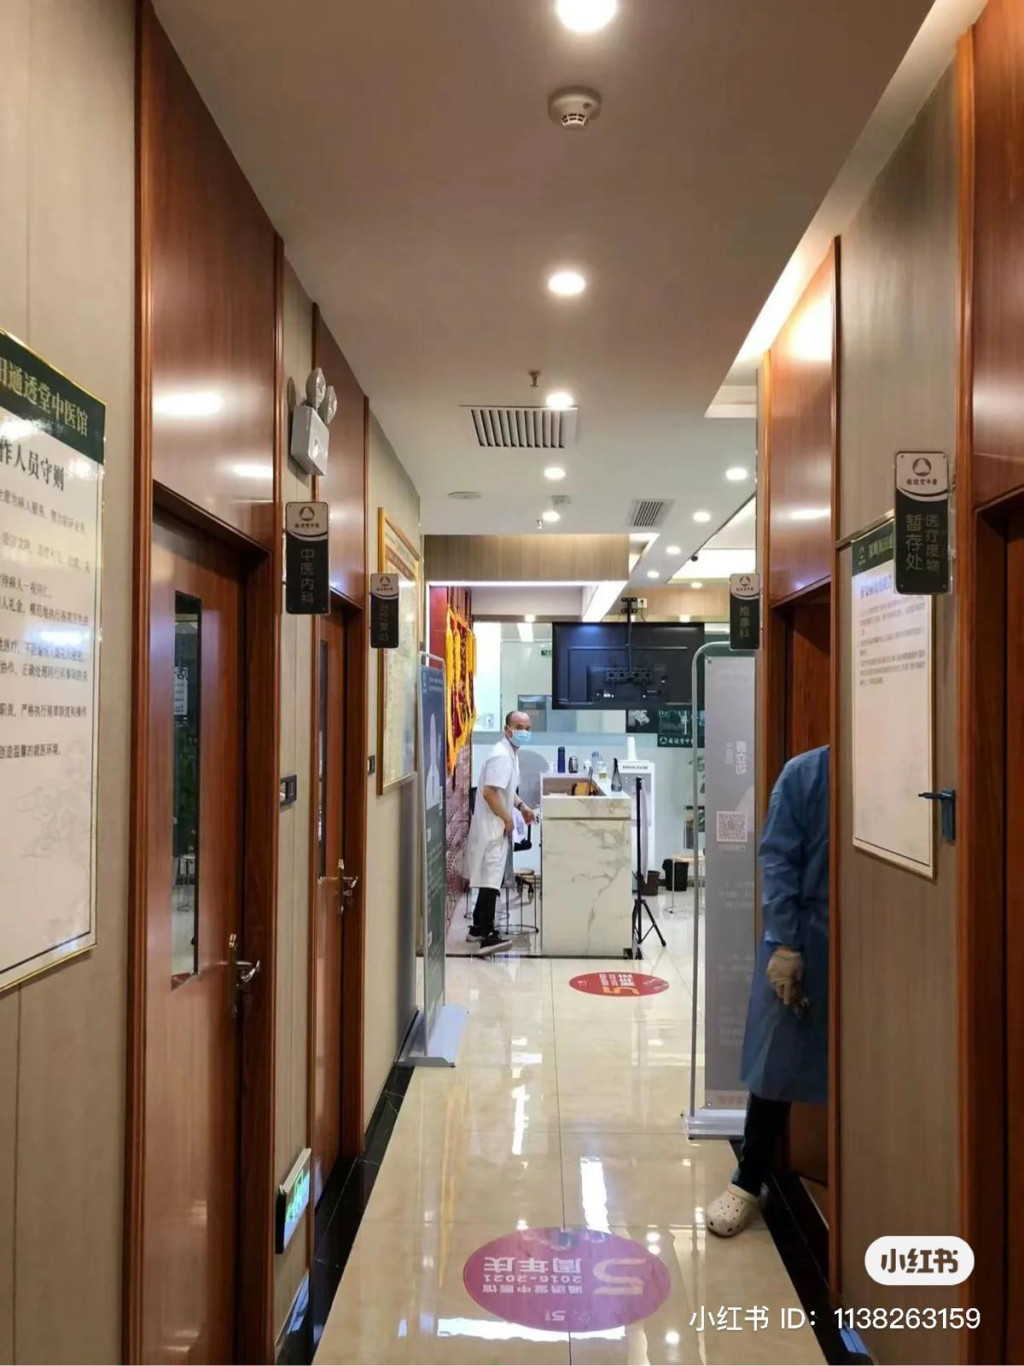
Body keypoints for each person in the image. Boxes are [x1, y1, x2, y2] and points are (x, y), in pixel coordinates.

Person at [707, 744, 829, 1237]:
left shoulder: (898, 769)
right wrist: (785, 943)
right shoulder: (806, 774)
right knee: (777, 1062)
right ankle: (747, 1179)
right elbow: (777, 861)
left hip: (872, 943)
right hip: (804, 939)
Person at [463, 711, 536, 956]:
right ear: (507, 730)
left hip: (495, 826)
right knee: (491, 881)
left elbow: (506, 790)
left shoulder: (510, 754)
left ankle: (476, 928)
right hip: (492, 828)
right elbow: (490, 792)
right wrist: (507, 818)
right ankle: (487, 935)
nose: (524, 732)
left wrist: (522, 807)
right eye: (519, 727)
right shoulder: (501, 756)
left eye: (527, 728)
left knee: (490, 878)